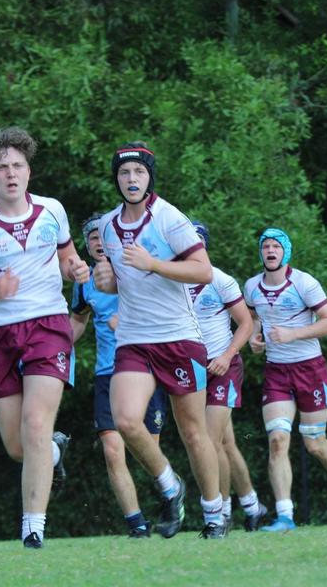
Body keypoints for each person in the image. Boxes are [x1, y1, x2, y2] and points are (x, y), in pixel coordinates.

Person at [0, 127, 87, 548]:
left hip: (47, 325)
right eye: (2, 167)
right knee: (19, 446)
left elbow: (67, 257)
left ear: (29, 171)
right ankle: (54, 453)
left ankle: (33, 527)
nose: (11, 174)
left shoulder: (52, 211)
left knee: (36, 424)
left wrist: (76, 269)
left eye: (18, 166)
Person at [93, 143, 225, 539]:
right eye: (123, 174)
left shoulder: (170, 219)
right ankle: (170, 485)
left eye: (138, 172)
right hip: (133, 338)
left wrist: (153, 264)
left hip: (179, 337)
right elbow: (120, 278)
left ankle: (215, 513)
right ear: (116, 180)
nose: (131, 180)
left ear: (150, 177)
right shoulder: (107, 225)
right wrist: (107, 281)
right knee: (127, 420)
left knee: (192, 432)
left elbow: (203, 272)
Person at [245, 227, 327, 532]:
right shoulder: (252, 287)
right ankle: (285, 516)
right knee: (278, 440)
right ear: (261, 252)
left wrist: (292, 334)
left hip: (310, 369)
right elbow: (254, 320)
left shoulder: (303, 282)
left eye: (276, 246)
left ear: (286, 252)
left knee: (314, 444)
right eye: (266, 246)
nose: (270, 250)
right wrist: (254, 340)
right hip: (277, 372)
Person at [70, 212, 169, 538]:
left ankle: (170, 501)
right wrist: (52, 345)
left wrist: (127, 326)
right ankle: (136, 524)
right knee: (113, 450)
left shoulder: (134, 268)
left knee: (147, 452)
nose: (98, 243)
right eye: (92, 238)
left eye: (102, 235)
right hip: (107, 372)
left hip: (144, 369)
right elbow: (78, 321)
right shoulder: (83, 282)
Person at [186, 220, 268, 530]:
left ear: (204, 246)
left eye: (196, 242)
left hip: (223, 367)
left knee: (208, 440)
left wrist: (225, 356)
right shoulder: (173, 281)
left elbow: (246, 324)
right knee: (225, 444)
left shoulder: (219, 280)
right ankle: (252, 505)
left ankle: (219, 513)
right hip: (192, 370)